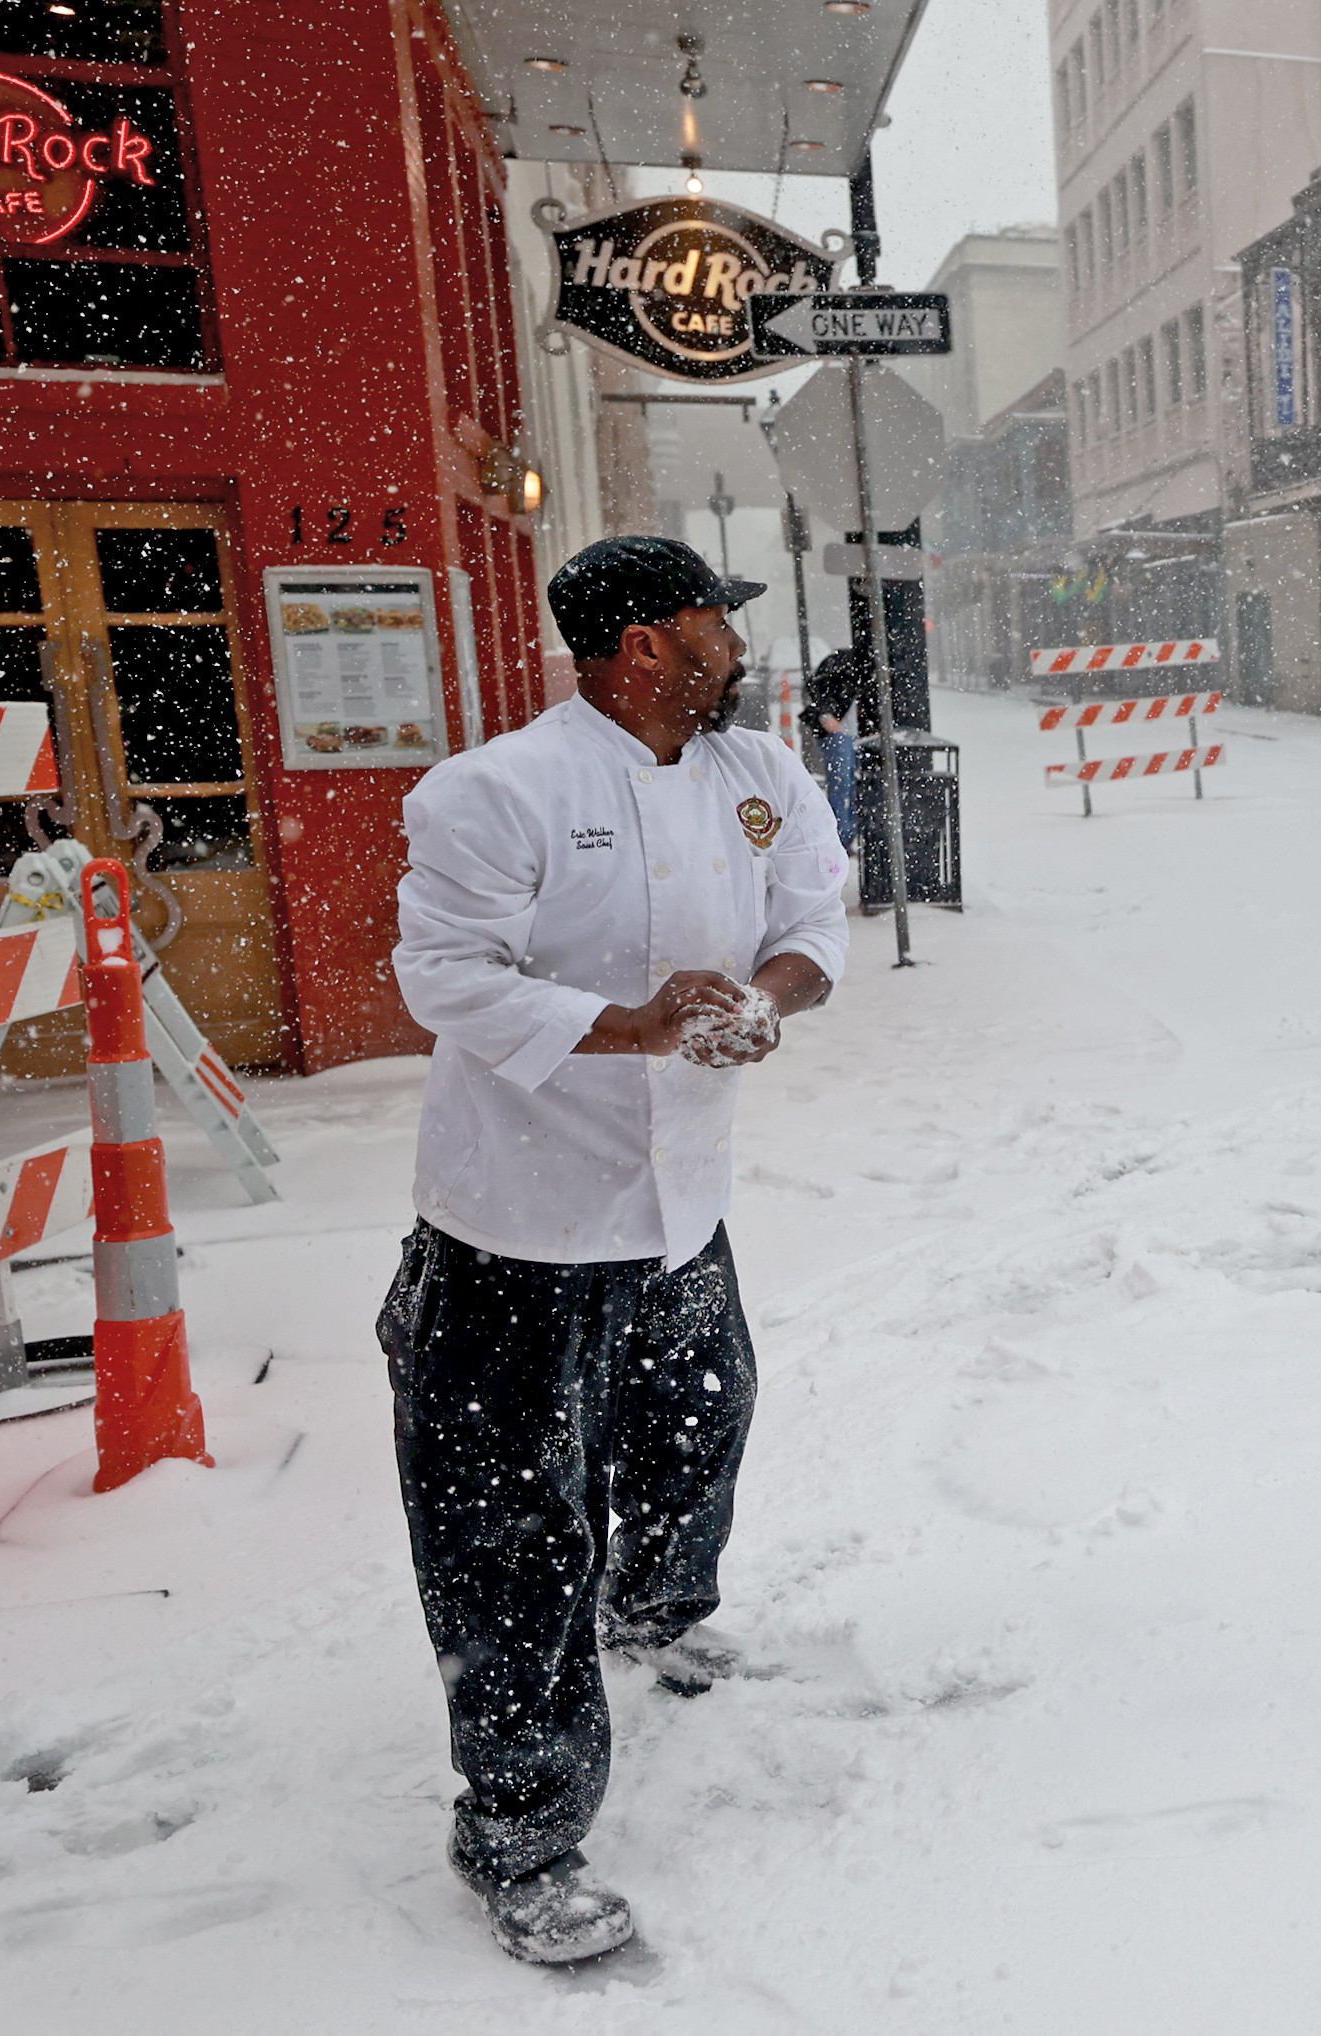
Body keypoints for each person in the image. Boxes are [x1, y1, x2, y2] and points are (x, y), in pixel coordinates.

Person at [381, 535, 849, 1964]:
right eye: (719, 618)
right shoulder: (497, 792)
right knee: (510, 1534)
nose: (738, 642)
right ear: (643, 643)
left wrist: (763, 1001)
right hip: (517, 1229)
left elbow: (812, 923)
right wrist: (633, 1025)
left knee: (694, 1432)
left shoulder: (758, 779)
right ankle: (519, 1836)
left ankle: (650, 1611)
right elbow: (443, 973)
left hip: (677, 1212)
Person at [805, 644, 872, 854]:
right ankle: (841, 838)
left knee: (850, 785)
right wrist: (826, 716)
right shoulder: (848, 664)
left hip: (853, 733)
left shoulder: (851, 663)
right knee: (844, 785)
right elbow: (818, 687)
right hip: (842, 733)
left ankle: (844, 837)